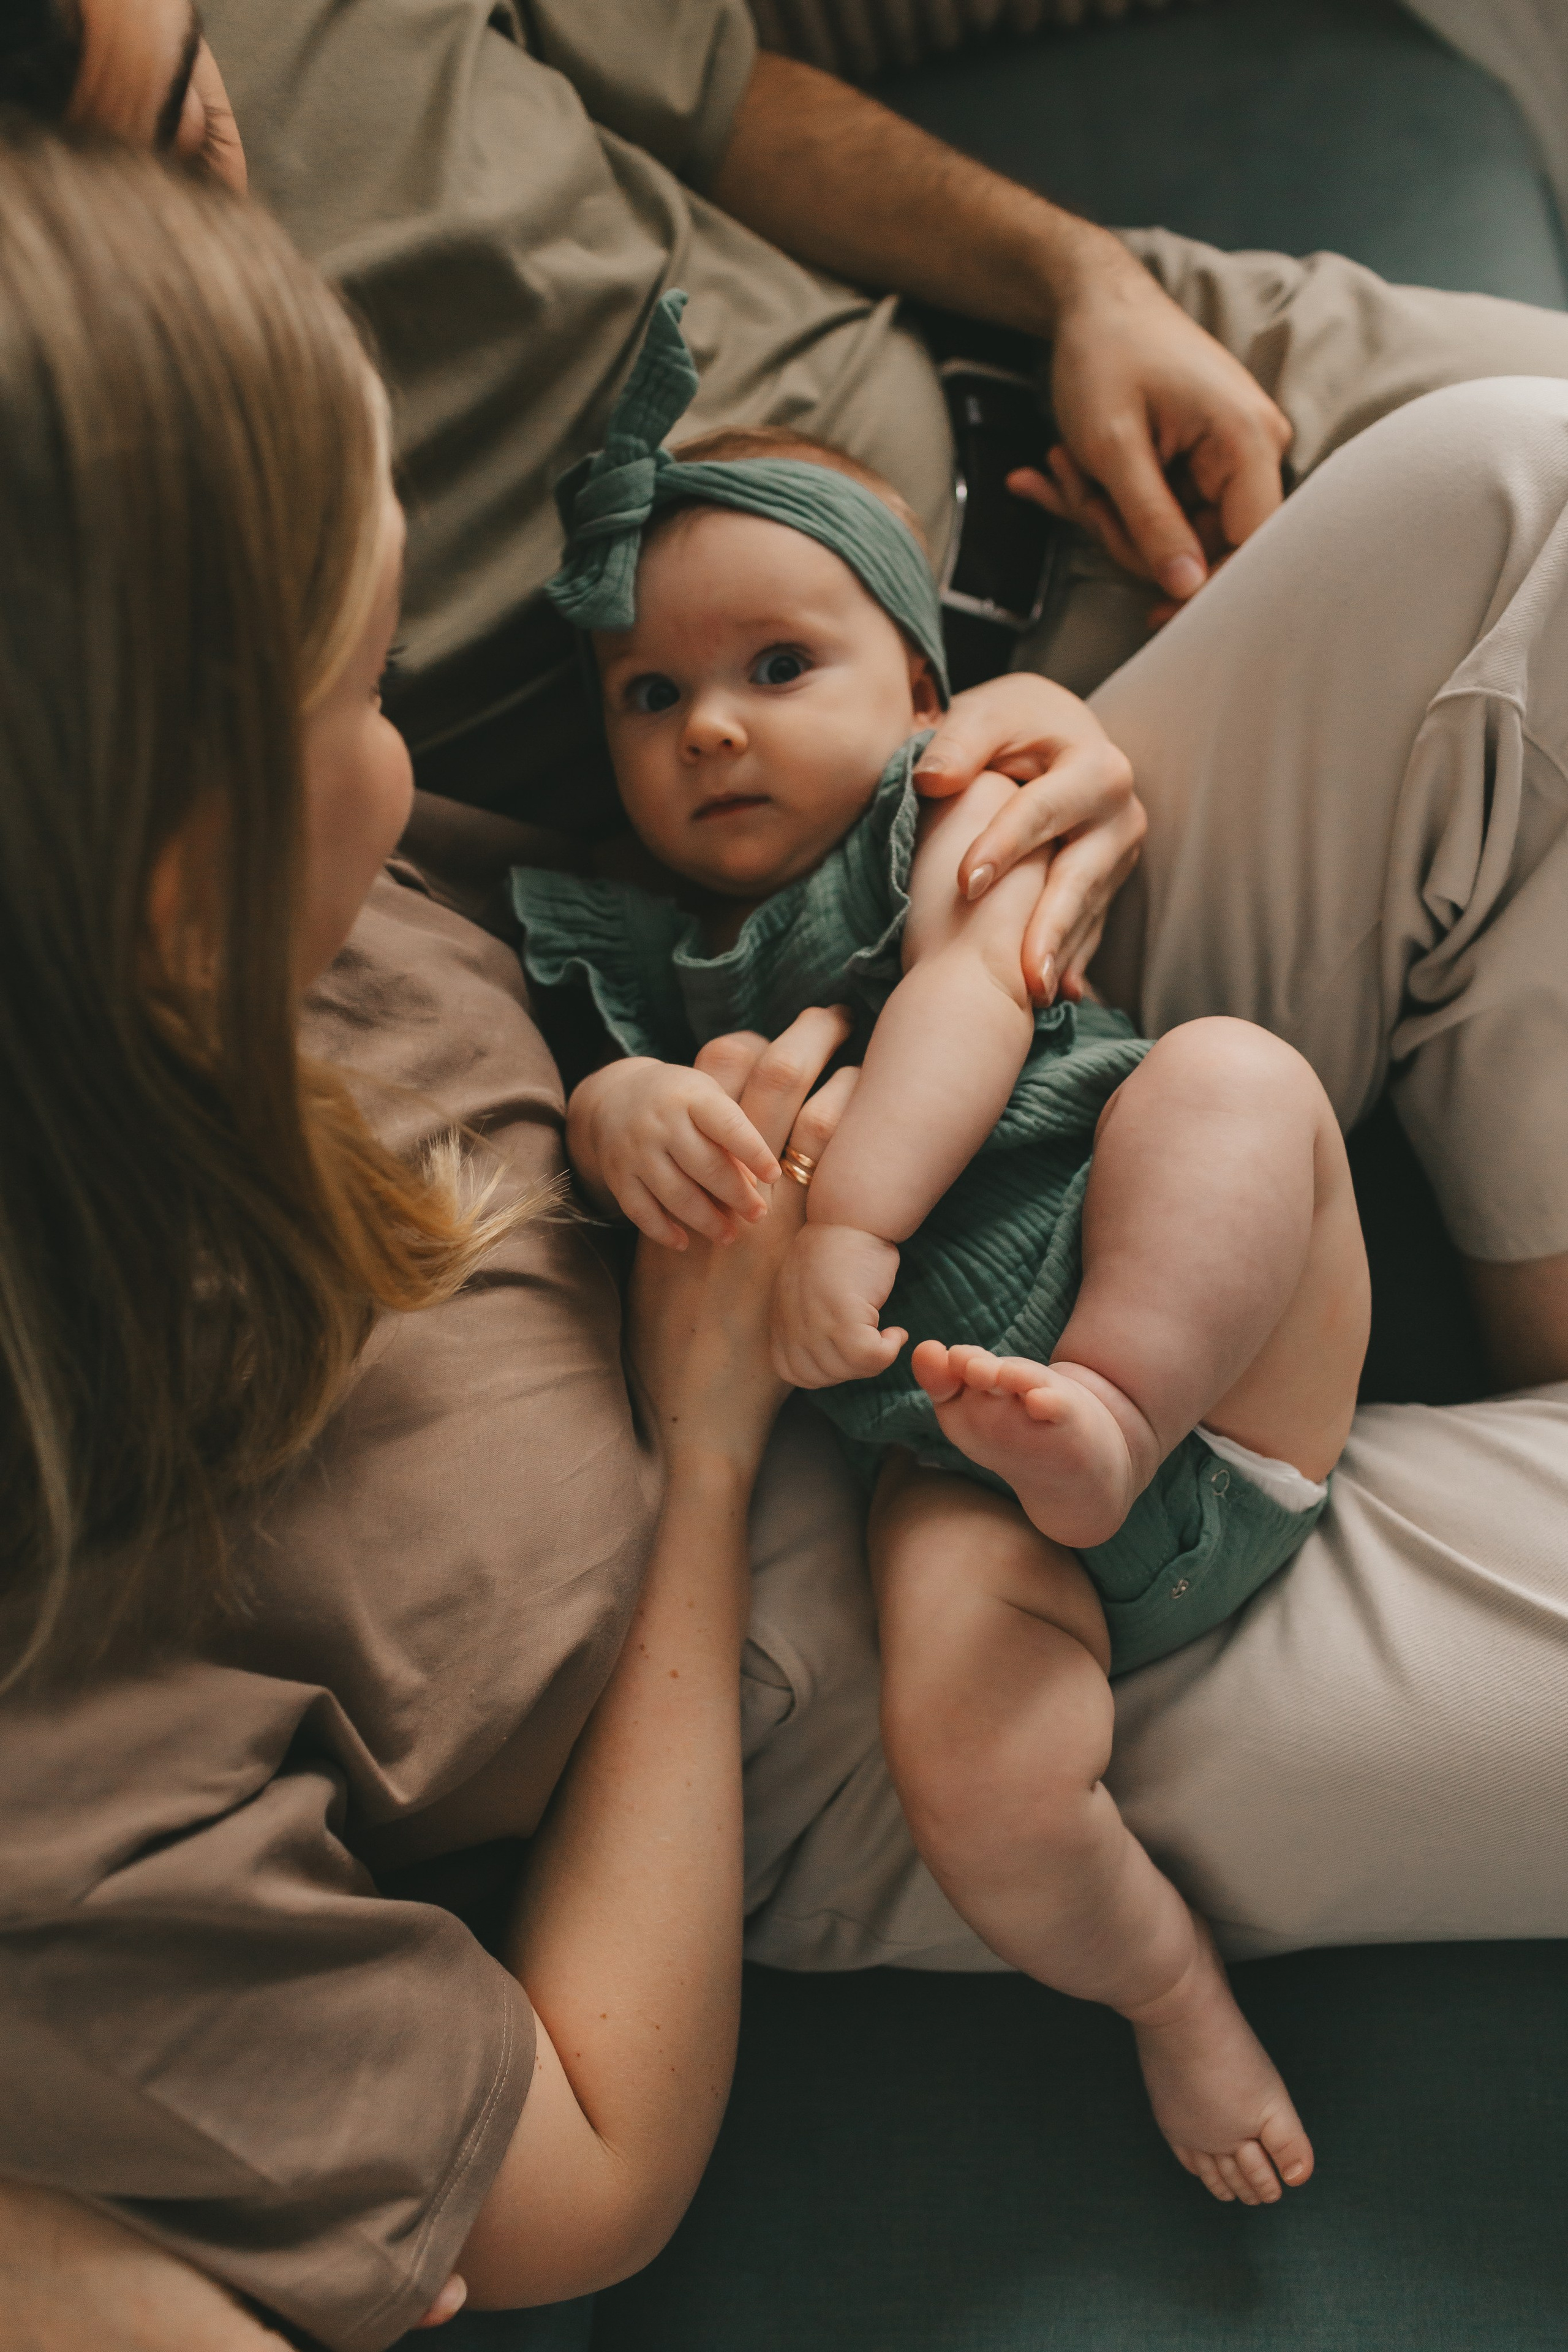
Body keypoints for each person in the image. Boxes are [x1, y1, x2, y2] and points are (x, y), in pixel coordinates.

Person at [0, 131, 861, 2350]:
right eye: (372, 684)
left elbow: (580, 947)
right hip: (818, 1605)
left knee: (1496, 500)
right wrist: (707, 1443)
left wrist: (979, 782)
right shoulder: (58, 1743)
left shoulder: (218, 908)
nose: (415, 753)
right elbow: (577, 2170)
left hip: (849, 1101)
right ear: (176, 886)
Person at [513, 295, 1368, 2201]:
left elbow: (982, 999)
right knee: (961, 1758)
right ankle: (1167, 1995)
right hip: (977, 1482)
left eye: (774, 663)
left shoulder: (950, 811)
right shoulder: (625, 950)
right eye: (649, 697)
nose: (709, 721)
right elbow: (578, 1111)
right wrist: (613, 1110)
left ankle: (1120, 1409)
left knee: (1231, 1085)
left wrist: (863, 1229)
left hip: (1216, 1361)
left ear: (917, 692)